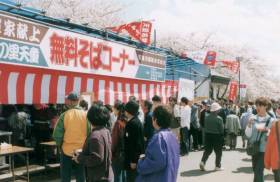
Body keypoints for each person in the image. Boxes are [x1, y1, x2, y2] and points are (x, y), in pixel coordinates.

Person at [53, 92, 91, 182]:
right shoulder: (86, 115)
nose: (66, 102)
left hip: (66, 150)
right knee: (81, 175)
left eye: (67, 100)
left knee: (66, 176)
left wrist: (60, 145)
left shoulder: (64, 115)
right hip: (81, 151)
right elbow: (90, 133)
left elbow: (57, 135)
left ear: (71, 101)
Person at [136, 106, 180, 182]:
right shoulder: (172, 136)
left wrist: (140, 162)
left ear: (155, 120)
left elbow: (157, 162)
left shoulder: (159, 137)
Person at [73, 104, 113, 182]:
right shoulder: (105, 130)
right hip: (105, 175)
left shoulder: (95, 136)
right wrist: (83, 151)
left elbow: (96, 158)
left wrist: (79, 158)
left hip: (98, 177)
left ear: (90, 118)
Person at [245, 97, 274, 182]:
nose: (257, 107)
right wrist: (249, 125)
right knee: (256, 170)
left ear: (265, 106)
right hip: (254, 148)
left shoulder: (271, 120)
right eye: (257, 105)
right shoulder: (252, 118)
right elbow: (248, 134)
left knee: (258, 170)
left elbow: (275, 136)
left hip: (265, 150)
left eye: (260, 106)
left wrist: (267, 130)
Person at [124, 101, 145, 182]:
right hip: (135, 158)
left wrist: (133, 160)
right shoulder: (136, 121)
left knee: (131, 178)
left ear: (128, 111)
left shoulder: (132, 123)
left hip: (132, 159)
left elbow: (136, 143)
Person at [200, 102, 224, 171]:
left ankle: (202, 162)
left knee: (207, 151)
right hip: (217, 136)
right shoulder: (219, 119)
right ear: (216, 110)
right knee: (218, 152)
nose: (219, 110)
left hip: (207, 135)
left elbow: (205, 126)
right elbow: (221, 130)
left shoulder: (207, 118)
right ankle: (217, 166)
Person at [111, 101, 127, 182]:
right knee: (123, 174)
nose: (113, 109)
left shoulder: (118, 123)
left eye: (114, 107)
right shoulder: (126, 120)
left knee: (117, 175)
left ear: (117, 110)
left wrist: (111, 151)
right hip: (125, 152)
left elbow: (115, 140)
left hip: (118, 153)